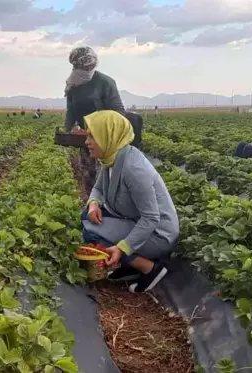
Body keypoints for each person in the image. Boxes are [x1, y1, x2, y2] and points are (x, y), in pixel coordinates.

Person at [80, 110, 179, 293]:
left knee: (91, 232)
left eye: (92, 136)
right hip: (133, 218)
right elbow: (99, 189)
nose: (87, 142)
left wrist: (123, 247)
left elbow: (151, 218)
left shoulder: (134, 169)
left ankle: (149, 268)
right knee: (86, 214)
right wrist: (94, 203)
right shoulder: (110, 157)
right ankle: (127, 266)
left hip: (158, 234)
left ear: (107, 136)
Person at [63, 46, 126, 193]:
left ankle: (107, 206)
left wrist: (95, 129)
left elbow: (119, 112)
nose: (87, 68)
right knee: (88, 173)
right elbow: (71, 110)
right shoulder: (73, 85)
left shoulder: (105, 82)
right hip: (86, 139)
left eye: (90, 66)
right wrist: (68, 130)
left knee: (106, 174)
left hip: (106, 140)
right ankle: (91, 202)